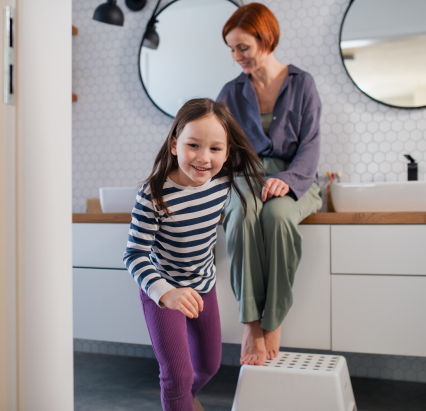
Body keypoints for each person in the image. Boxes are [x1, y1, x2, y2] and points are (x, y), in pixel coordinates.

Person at [123, 98, 264, 411]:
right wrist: (166, 294)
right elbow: (134, 255)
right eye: (193, 145)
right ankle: (178, 398)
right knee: (177, 375)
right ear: (175, 144)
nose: (204, 158)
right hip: (163, 292)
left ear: (227, 152)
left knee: (208, 366)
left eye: (215, 148)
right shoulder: (154, 194)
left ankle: (182, 400)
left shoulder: (224, 181)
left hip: (203, 287)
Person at [217, 3, 323, 366]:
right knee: (243, 214)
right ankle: (251, 323)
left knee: (276, 217)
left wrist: (287, 179)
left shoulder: (302, 84)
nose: (236, 56)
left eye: (242, 47)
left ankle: (273, 319)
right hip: (245, 176)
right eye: (231, 49)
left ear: (266, 39)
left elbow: (310, 147)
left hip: (296, 176)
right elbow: (220, 147)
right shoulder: (230, 93)